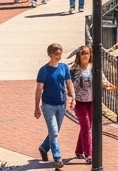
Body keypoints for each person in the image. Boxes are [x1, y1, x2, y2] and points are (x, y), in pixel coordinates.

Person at [69, 45, 112, 163]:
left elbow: (103, 80)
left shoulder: (94, 68)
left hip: (91, 101)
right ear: (79, 55)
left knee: (86, 127)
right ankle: (89, 154)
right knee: (86, 126)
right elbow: (68, 85)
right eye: (82, 53)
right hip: (79, 102)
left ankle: (79, 150)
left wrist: (108, 85)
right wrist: (70, 99)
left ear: (90, 55)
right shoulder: (73, 70)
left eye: (87, 53)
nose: (85, 55)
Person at [35, 42, 74, 170]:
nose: (59, 56)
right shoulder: (44, 70)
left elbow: (69, 83)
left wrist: (72, 96)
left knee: (55, 132)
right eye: (57, 54)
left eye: (60, 53)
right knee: (54, 132)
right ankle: (57, 158)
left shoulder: (64, 67)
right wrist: (37, 107)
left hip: (61, 105)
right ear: (50, 54)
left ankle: (44, 147)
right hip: (48, 105)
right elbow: (39, 89)